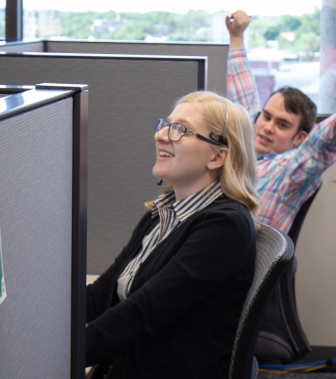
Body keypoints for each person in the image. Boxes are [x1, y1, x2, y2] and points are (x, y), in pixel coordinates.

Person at [85, 91, 260, 378]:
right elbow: (103, 293)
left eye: (180, 130)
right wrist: (40, 318)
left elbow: (141, 315)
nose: (161, 135)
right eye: (165, 124)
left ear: (217, 156)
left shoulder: (224, 228)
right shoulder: (163, 213)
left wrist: (61, 351)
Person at [226, 10, 336, 233]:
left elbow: (322, 143)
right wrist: (236, 37)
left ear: (298, 138)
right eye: (266, 117)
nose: (267, 127)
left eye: (282, 125)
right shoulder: (242, 152)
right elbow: (241, 99)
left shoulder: (288, 172)